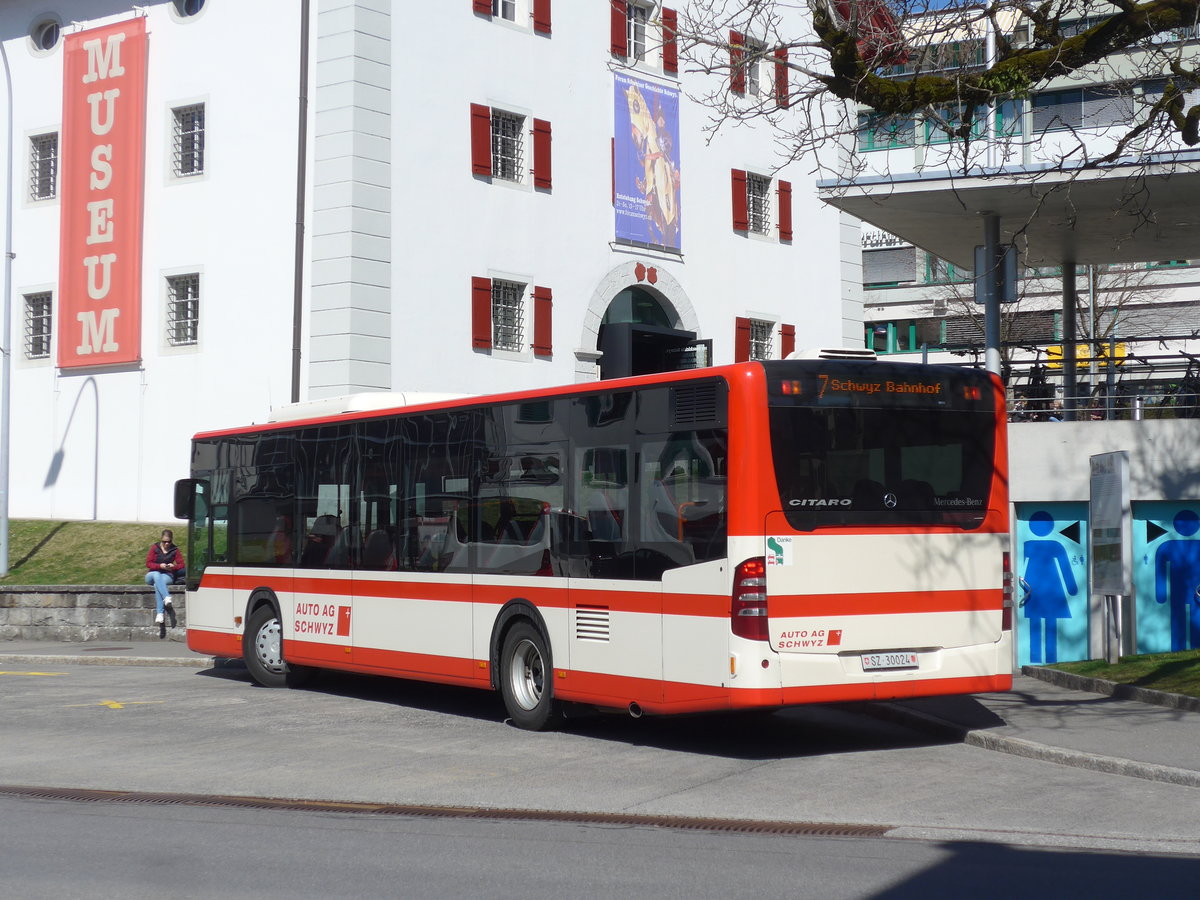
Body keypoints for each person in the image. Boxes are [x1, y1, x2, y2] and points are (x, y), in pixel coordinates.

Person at [145, 529, 185, 625]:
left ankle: (160, 614)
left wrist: (173, 566)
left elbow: (182, 564)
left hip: (167, 574)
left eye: (169, 542)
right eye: (164, 542)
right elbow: (148, 563)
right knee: (156, 575)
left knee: (157, 585)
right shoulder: (155, 548)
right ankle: (166, 596)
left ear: (171, 540)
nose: (167, 544)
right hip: (153, 574)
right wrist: (159, 566)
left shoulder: (175, 550)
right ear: (161, 540)